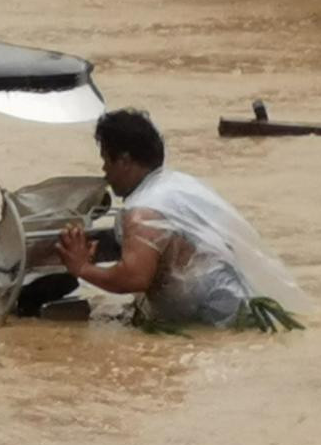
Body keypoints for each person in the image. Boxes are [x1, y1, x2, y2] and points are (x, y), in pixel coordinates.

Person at [55, 109, 307, 327]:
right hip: (244, 304)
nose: (104, 171)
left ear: (124, 161)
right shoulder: (178, 185)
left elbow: (134, 277)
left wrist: (82, 268)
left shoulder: (142, 211)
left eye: (106, 161)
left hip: (217, 319)